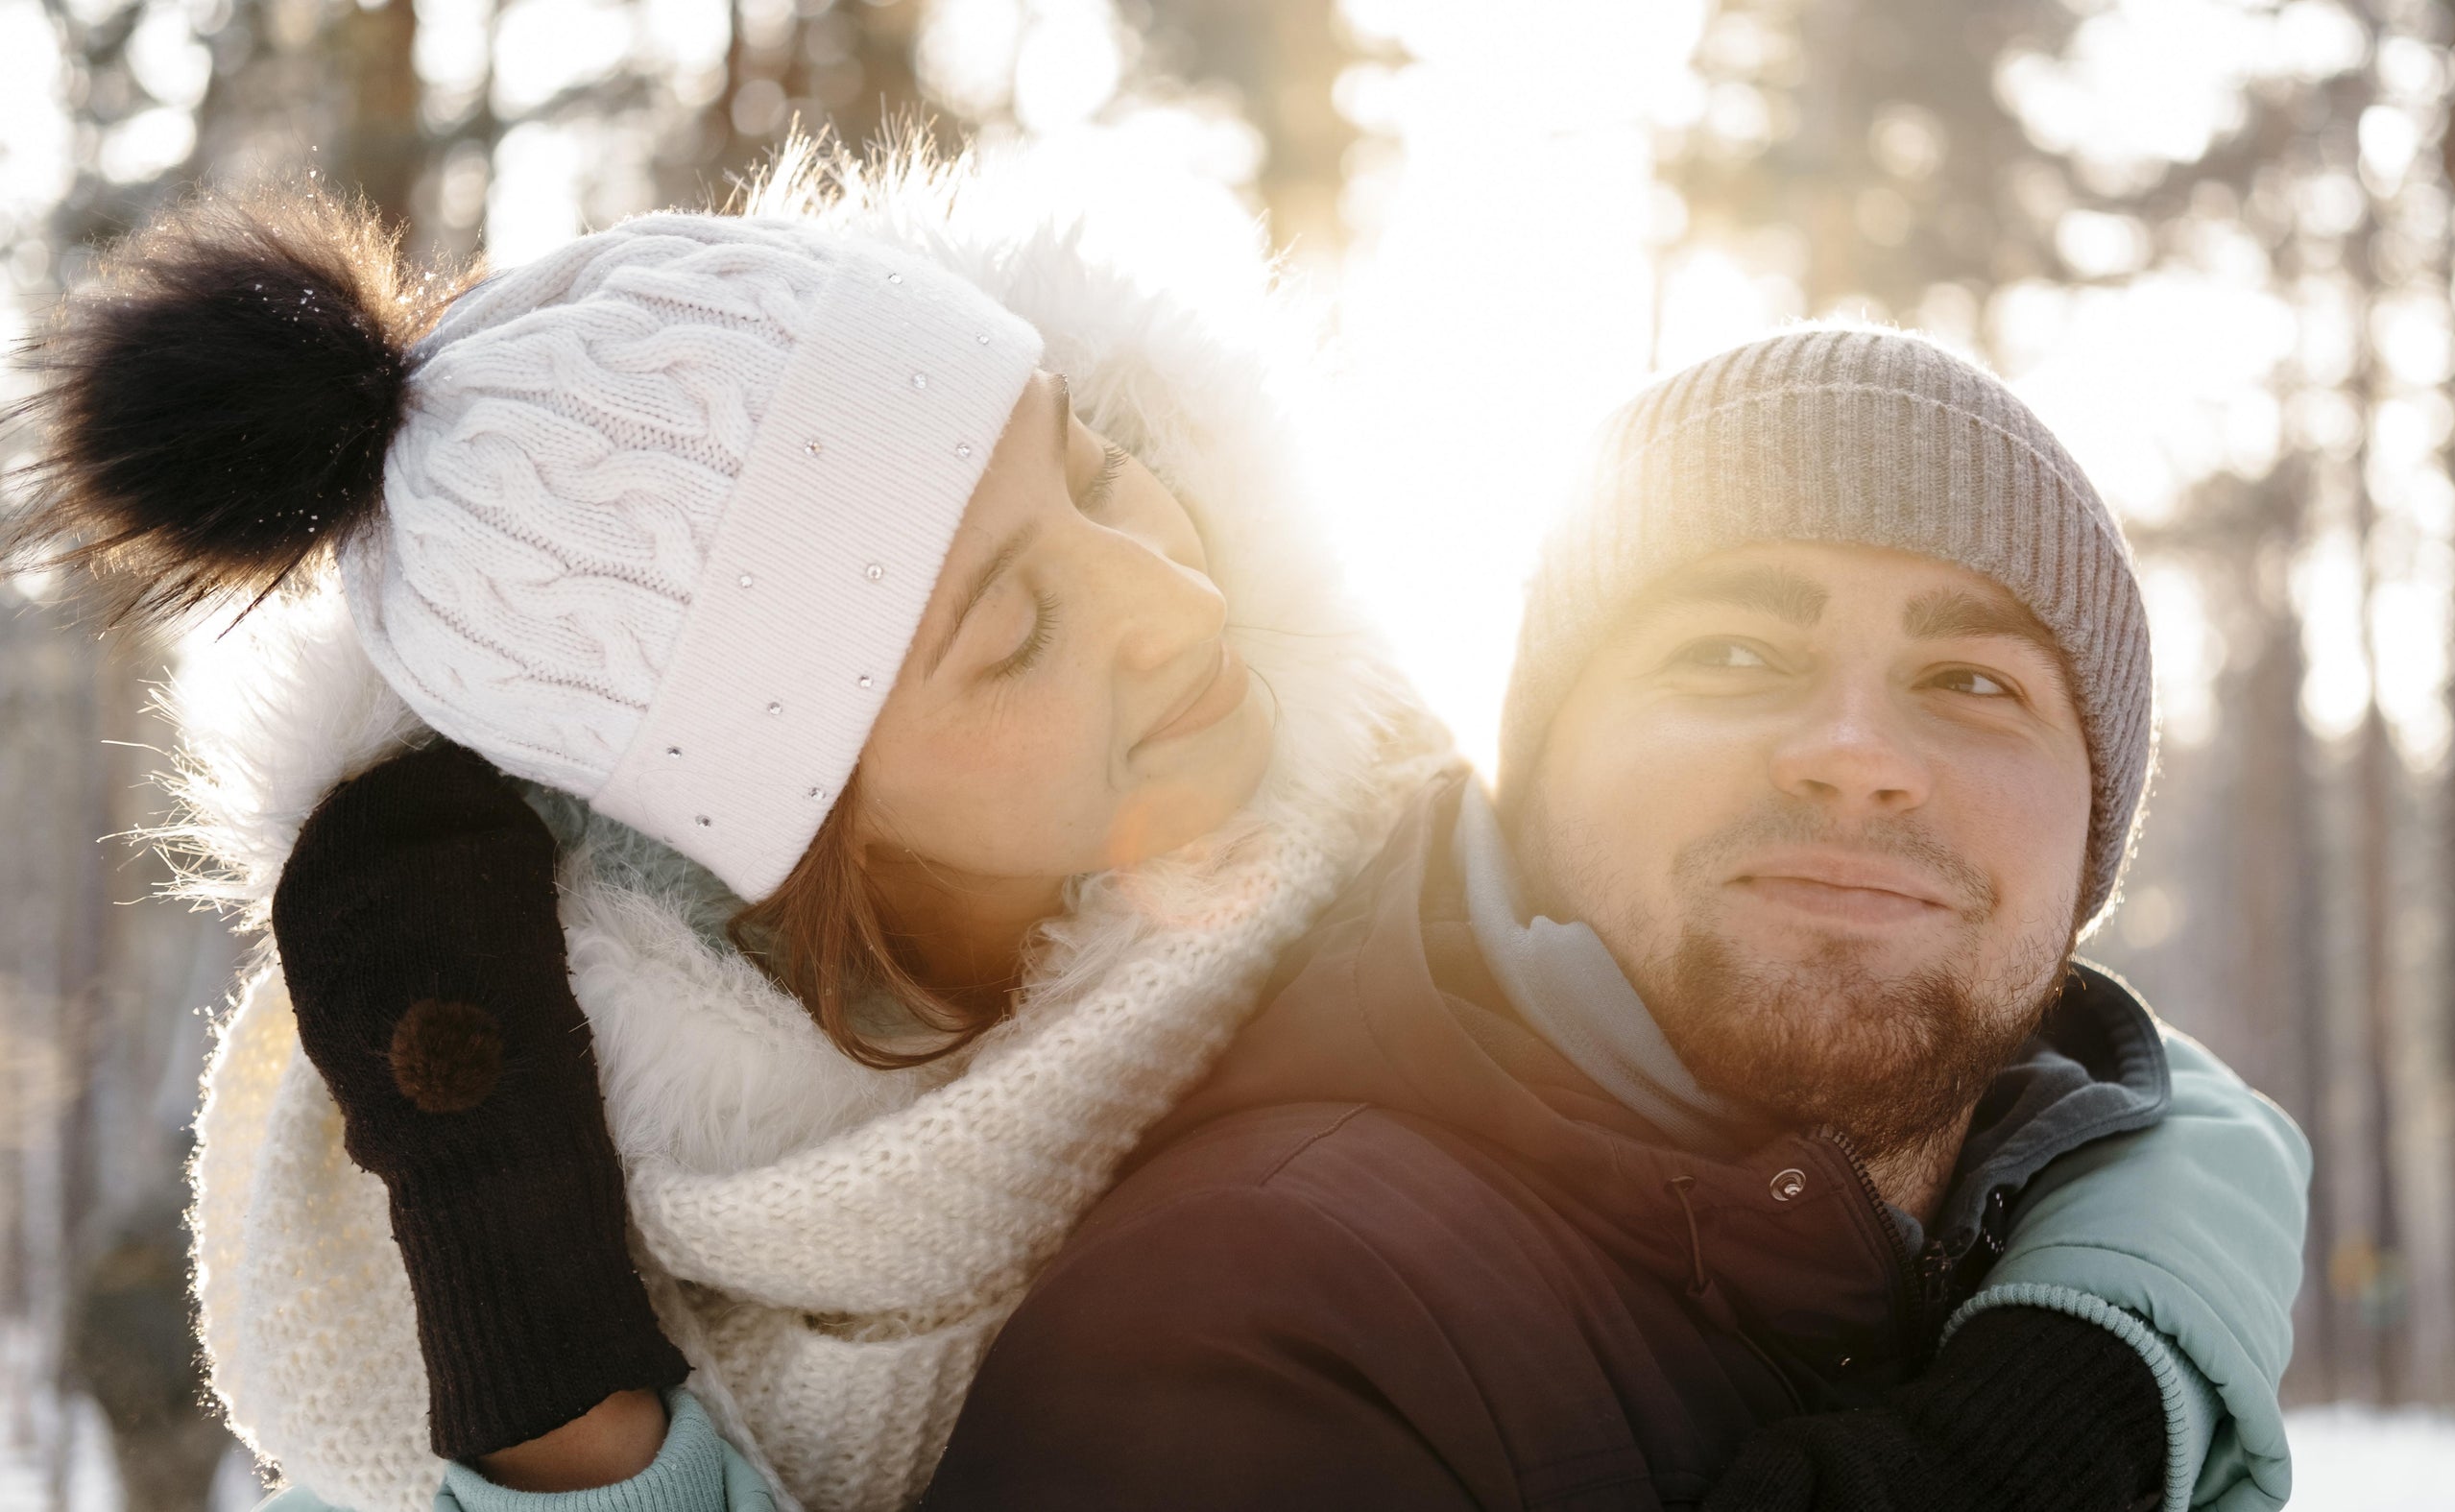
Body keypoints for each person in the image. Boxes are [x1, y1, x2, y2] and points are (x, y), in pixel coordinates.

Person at [11, 157, 2299, 1512]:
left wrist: (2083, 1370)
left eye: (1094, 476)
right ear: (809, 841)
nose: (1176, 597)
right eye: (1012, 632)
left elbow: (2079, 1047)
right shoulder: (890, 1251)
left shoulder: (1349, 784)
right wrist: (556, 1377)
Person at [918, 329, 2311, 1512]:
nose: (1854, 748)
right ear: (1534, 771)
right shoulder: (1246, 1323)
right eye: (1733, 654)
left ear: (2091, 841)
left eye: (1971, 682)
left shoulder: (2054, 1233)